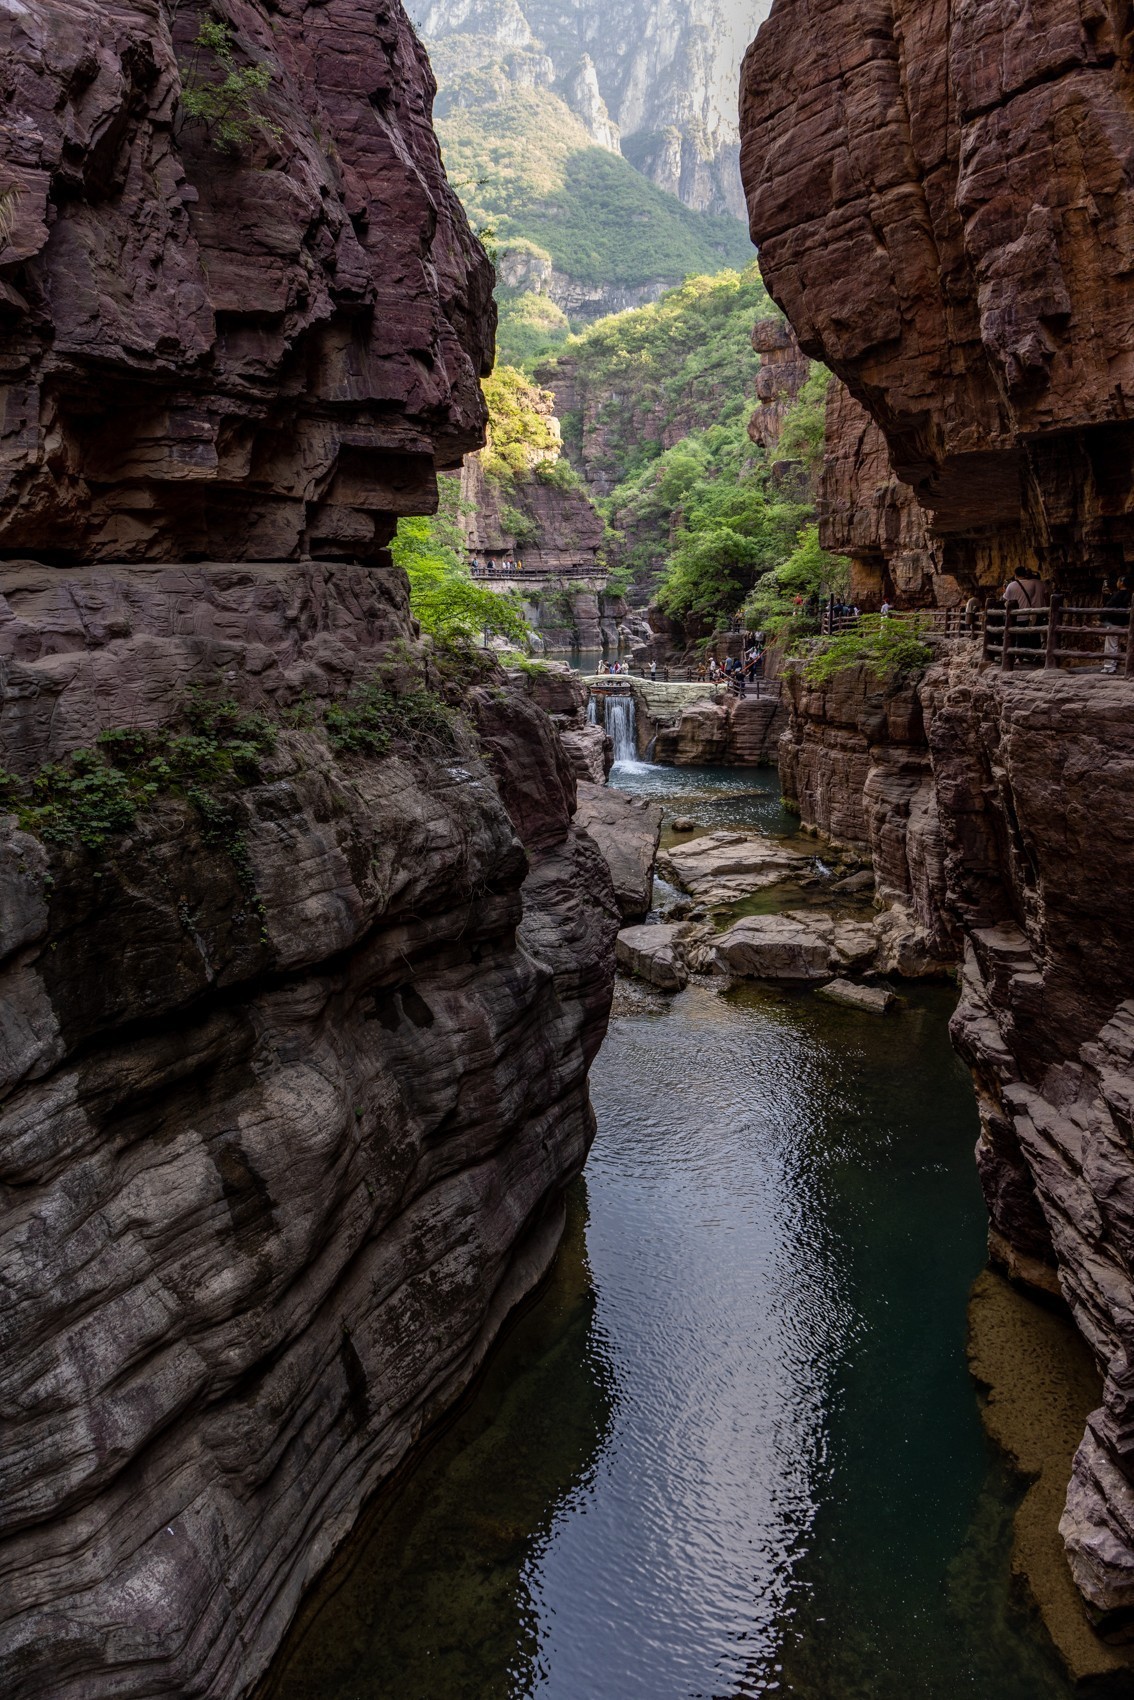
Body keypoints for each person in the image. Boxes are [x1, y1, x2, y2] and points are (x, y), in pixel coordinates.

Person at [1102, 576, 1130, 674]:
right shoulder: (1129, 594)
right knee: (1117, 645)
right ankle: (1115, 663)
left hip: (1114, 622)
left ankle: (1109, 666)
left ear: (1121, 582)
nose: (1117, 583)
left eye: (1118, 581)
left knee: (1111, 645)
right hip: (1124, 623)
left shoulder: (1119, 594)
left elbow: (1109, 606)